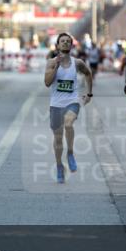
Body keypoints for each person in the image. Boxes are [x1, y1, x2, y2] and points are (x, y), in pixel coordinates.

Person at [43, 32, 93, 184]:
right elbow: (47, 82)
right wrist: (56, 66)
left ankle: (70, 153)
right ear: (57, 45)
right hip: (56, 104)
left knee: (69, 123)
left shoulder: (77, 63)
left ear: (71, 45)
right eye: (62, 41)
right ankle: (59, 166)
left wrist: (89, 94)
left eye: (67, 41)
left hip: (72, 101)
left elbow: (88, 74)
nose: (65, 43)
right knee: (58, 139)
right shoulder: (51, 62)